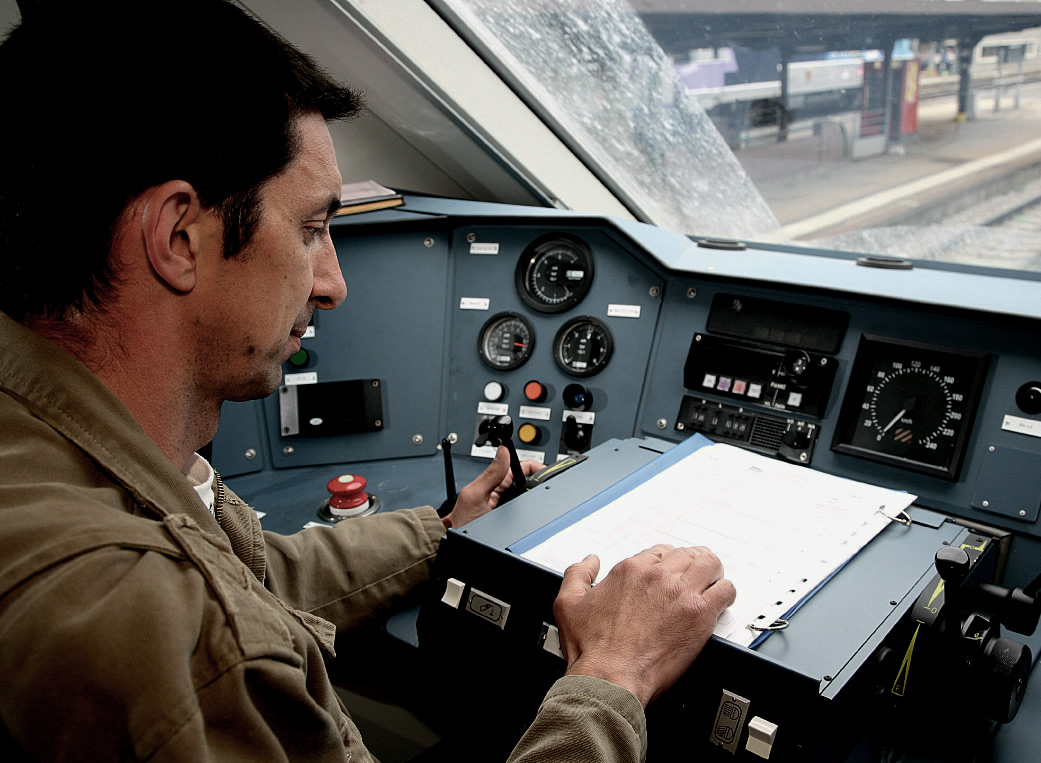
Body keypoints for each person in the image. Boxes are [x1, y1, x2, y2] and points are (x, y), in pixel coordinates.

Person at [0, 1, 735, 760]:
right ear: (177, 237)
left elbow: (254, 579)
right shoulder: (175, 633)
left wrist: (445, 530)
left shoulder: (48, 452)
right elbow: (223, 617)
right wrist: (614, 674)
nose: (332, 285)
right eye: (311, 229)